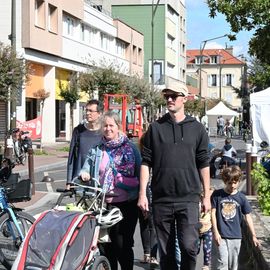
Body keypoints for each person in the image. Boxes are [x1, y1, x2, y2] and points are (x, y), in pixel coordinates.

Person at [138, 81, 211, 270]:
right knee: (166, 252)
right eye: (166, 96)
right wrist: (142, 194)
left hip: (188, 198)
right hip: (162, 198)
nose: (169, 99)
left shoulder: (197, 128)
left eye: (174, 96)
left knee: (189, 247)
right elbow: (146, 162)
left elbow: (204, 163)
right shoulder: (155, 128)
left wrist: (207, 195)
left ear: (184, 99)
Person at [79, 111, 141, 270]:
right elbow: (86, 167)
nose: (108, 129)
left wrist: (144, 198)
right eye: (105, 126)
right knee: (106, 245)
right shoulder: (97, 149)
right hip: (103, 204)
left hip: (127, 203)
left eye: (111, 125)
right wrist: (84, 173)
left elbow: (141, 174)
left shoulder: (131, 148)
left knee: (122, 244)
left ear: (118, 127)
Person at [211, 165, 260, 270]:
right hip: (221, 236)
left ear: (239, 181)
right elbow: (213, 213)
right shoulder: (217, 195)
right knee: (222, 263)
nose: (232, 185)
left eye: (235, 182)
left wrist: (254, 235)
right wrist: (215, 232)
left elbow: (248, 216)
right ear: (225, 181)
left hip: (236, 236)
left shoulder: (241, 198)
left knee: (234, 266)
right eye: (229, 183)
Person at [66, 99, 103, 188]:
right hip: (79, 179)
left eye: (91, 111)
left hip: (98, 180)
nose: (87, 113)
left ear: (99, 113)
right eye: (86, 110)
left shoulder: (104, 132)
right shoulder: (78, 130)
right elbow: (71, 158)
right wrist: (69, 181)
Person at [138, 134, 159, 267]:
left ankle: (148, 254)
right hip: (150, 192)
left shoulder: (140, 155)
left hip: (142, 192)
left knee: (145, 224)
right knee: (152, 225)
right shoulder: (154, 155)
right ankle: (151, 255)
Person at [197, 188, 214, 270]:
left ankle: (206, 265)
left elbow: (214, 217)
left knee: (207, 249)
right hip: (197, 230)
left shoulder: (212, 206)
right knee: (195, 249)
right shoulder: (197, 204)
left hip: (208, 229)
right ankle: (191, 261)